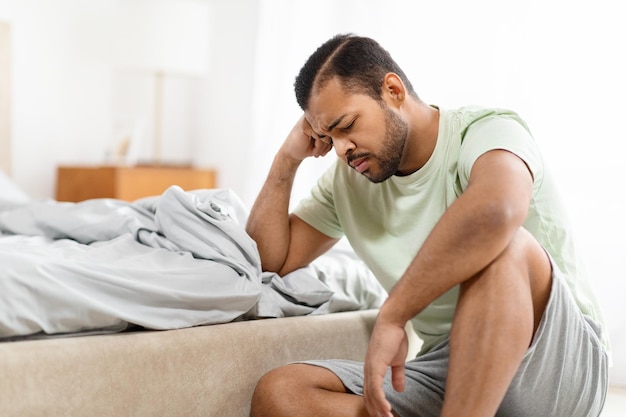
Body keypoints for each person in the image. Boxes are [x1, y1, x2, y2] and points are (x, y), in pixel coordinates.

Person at [246, 33, 609, 417]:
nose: (340, 149)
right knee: (282, 394)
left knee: (507, 248)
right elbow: (269, 262)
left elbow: (498, 212)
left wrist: (395, 313)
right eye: (327, 136)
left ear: (393, 90)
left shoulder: (485, 131)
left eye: (347, 125)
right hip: (447, 368)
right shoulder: (347, 181)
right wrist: (286, 160)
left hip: (553, 357)